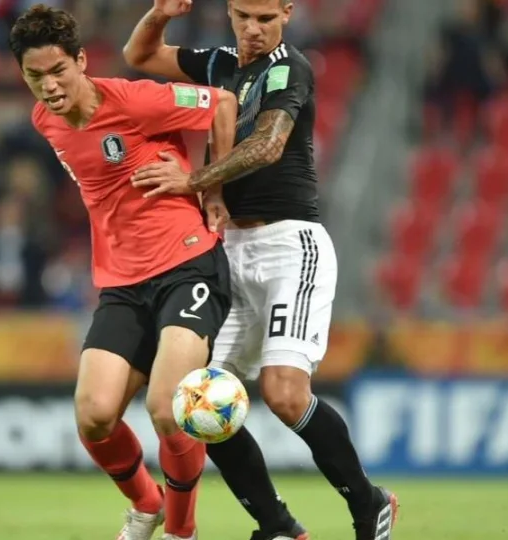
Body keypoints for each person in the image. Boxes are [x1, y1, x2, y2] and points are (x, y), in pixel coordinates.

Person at [124, 1, 398, 539]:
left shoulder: (289, 67)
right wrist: (159, 13)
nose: (253, 29)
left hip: (290, 245)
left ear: (287, 13)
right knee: (199, 402)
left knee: (285, 393)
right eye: (244, 16)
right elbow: (141, 55)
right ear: (230, 11)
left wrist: (193, 181)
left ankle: (369, 504)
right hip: (231, 249)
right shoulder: (220, 62)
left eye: (265, 19)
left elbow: (270, 145)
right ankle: (277, 526)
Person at [9, 5, 239, 540]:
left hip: (186, 264)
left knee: (169, 408)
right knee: (93, 416)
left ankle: (181, 531)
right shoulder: (45, 120)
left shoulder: (134, 100)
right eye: (35, 76)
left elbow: (222, 103)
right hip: (122, 282)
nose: (49, 86)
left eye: (58, 71)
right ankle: (146, 505)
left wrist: (210, 185)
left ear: (81, 61)